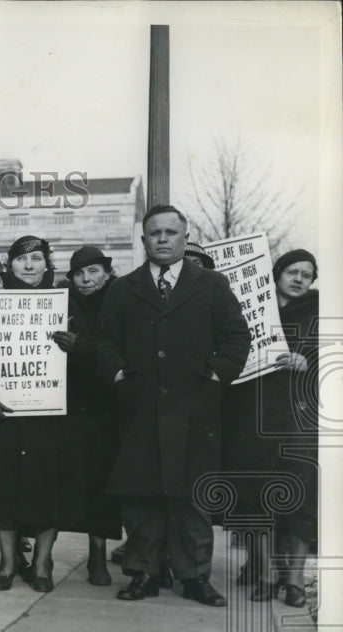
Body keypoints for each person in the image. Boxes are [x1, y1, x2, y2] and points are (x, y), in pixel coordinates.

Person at [97, 204, 250, 606]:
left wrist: (216, 375)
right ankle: (144, 574)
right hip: (140, 411)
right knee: (142, 496)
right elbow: (106, 341)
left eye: (170, 232)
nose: (162, 239)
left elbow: (236, 337)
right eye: (155, 233)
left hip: (194, 411)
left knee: (193, 498)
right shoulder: (123, 288)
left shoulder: (212, 284)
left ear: (185, 237)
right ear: (144, 239)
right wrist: (116, 375)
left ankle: (195, 577)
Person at [0, 236, 88, 592]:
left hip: (51, 415)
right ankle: (7, 560)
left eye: (36, 259)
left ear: (47, 263)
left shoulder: (66, 303)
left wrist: (77, 348)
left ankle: (43, 563)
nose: (29, 266)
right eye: (21, 260)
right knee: (5, 488)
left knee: (48, 488)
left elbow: (91, 356)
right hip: (4, 412)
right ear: (9, 264)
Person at [224, 249, 319, 608]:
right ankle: (264, 574)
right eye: (292, 271)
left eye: (306, 275)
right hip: (255, 411)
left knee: (301, 496)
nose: (298, 279)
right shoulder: (251, 308)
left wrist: (307, 362)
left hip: (300, 416)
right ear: (276, 273)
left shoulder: (319, 312)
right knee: (258, 493)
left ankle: (293, 581)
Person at [64, 246, 123, 585]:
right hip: (70, 402)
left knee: (103, 482)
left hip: (107, 404)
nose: (87, 280)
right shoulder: (61, 303)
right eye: (80, 274)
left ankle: (98, 555)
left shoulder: (119, 301)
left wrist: (81, 349)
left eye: (93, 272)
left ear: (106, 273)